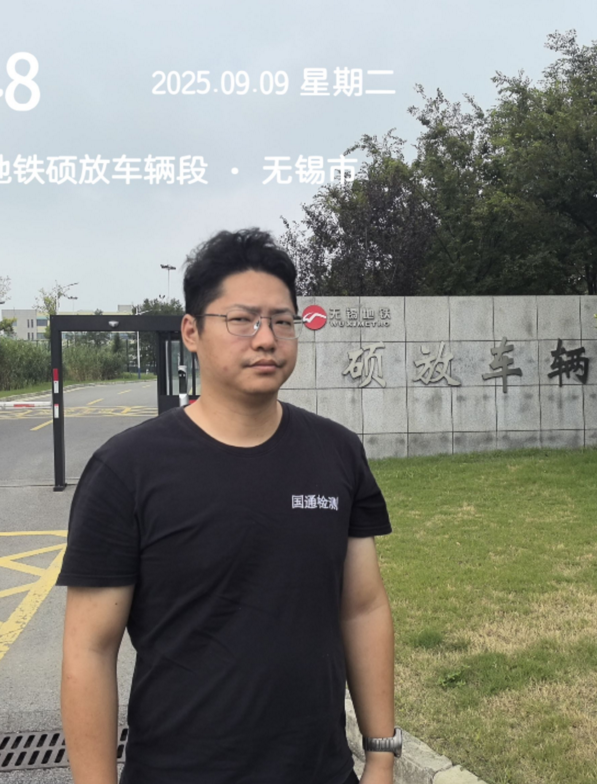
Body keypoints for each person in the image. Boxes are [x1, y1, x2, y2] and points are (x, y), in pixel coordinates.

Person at [58, 228, 400, 784]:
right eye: (242, 320)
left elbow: (362, 608)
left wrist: (381, 755)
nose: (266, 339)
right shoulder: (127, 470)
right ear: (191, 332)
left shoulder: (337, 453)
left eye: (282, 321)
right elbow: (89, 650)